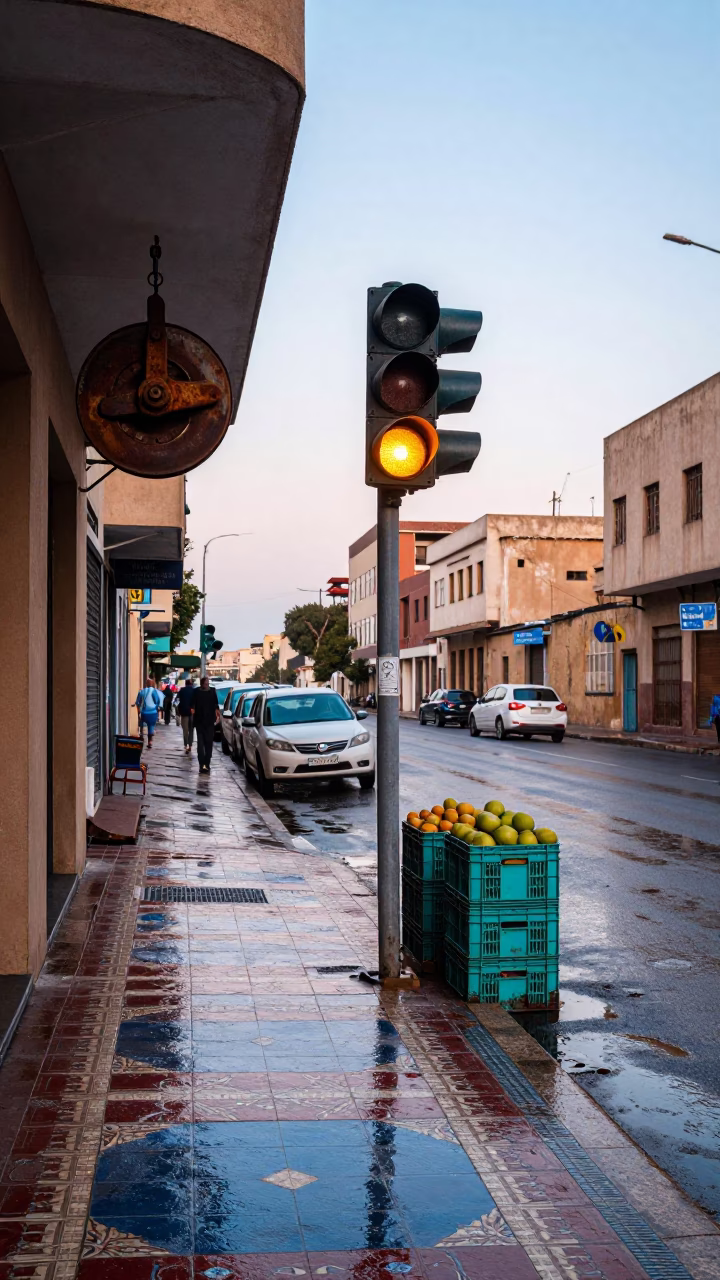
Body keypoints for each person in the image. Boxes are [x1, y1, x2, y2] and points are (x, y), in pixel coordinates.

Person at [191, 676, 220, 773]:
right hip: (199, 722)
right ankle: (201, 764)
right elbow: (192, 705)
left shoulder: (212, 691)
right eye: (205, 684)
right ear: (202, 684)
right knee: (200, 744)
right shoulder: (196, 692)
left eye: (208, 684)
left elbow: (216, 704)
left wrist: (217, 713)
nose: (207, 685)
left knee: (208, 744)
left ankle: (207, 764)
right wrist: (192, 710)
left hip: (210, 722)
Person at [135, 677, 162, 748]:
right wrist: (156, 708)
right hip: (152, 713)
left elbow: (137, 702)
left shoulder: (142, 691)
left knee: (141, 726)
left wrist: (138, 712)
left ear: (146, 684)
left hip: (143, 713)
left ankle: (141, 739)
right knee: (151, 727)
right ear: (152, 684)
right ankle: (150, 742)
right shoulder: (154, 691)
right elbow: (157, 701)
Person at [177, 678, 196, 754]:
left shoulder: (182, 690)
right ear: (191, 684)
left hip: (184, 713)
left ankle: (186, 745)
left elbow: (177, 699)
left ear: (185, 684)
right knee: (191, 729)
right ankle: (190, 745)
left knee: (185, 730)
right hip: (192, 712)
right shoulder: (194, 691)